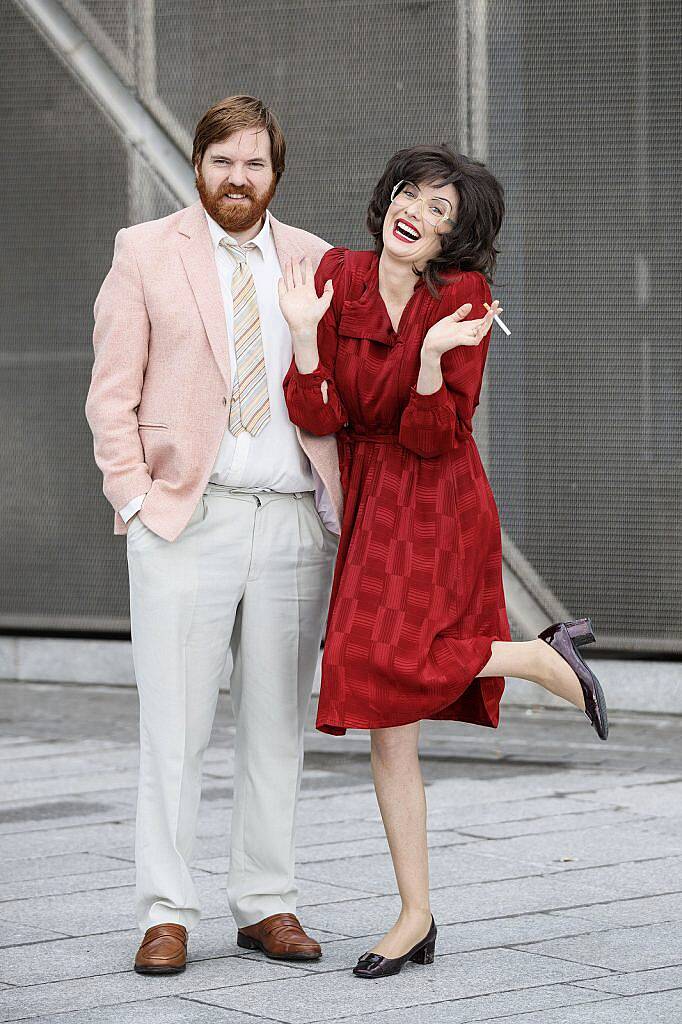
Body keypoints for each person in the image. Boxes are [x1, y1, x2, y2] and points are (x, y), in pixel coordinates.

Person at [278, 143, 609, 980]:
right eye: (412, 193)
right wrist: (305, 341)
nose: (415, 211)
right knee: (388, 720)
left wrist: (429, 361)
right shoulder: (340, 276)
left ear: (452, 243)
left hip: (437, 499)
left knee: (374, 658)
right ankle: (415, 914)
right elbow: (319, 414)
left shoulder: (465, 298)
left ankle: (535, 656)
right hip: (369, 500)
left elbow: (436, 435)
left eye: (439, 212)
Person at [85, 95, 343, 974]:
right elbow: (111, 391)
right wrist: (134, 505)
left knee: (277, 725)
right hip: (185, 518)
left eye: (256, 163)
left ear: (277, 173)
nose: (240, 177)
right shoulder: (145, 250)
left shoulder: (314, 260)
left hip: (290, 522)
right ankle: (164, 911)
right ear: (198, 164)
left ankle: (266, 902)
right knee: (175, 725)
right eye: (224, 160)